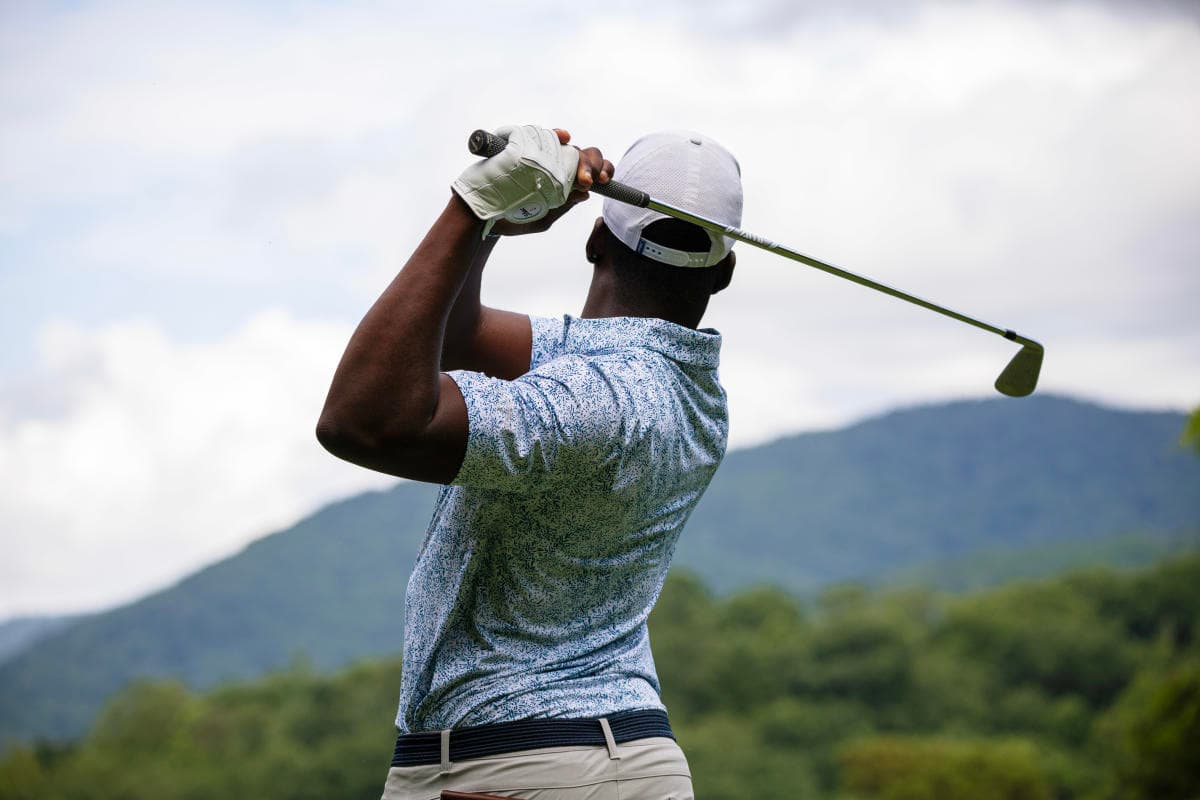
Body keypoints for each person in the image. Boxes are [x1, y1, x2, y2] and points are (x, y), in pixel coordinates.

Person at [317, 124, 743, 800]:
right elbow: (455, 338)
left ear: (596, 238)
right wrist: (490, 226)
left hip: (514, 768)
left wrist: (469, 207)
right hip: (629, 760)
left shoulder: (597, 395)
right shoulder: (682, 390)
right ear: (724, 271)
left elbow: (361, 423)